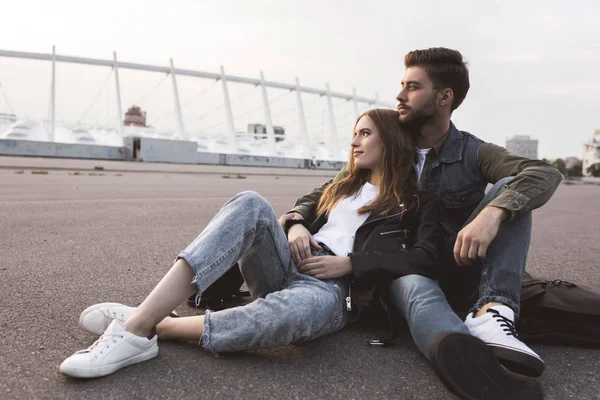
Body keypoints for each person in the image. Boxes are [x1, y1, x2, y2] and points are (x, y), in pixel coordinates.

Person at [59, 108, 442, 379]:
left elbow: (426, 258)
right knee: (251, 202)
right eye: (355, 133)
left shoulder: (417, 201)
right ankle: (139, 326)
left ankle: (152, 326)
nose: (354, 142)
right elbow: (302, 209)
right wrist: (295, 225)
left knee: (291, 316)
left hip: (333, 290)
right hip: (288, 263)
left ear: (389, 140)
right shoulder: (343, 184)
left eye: (365, 133)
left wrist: (351, 265)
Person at [280, 47, 561, 400]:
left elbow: (543, 172)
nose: (399, 95)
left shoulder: (472, 152)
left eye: (412, 87)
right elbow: (330, 190)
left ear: (444, 97)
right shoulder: (390, 143)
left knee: (511, 190)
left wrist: (493, 213)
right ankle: (469, 365)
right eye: (401, 85)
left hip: (452, 263)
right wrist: (296, 220)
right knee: (414, 285)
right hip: (396, 266)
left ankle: (493, 312)